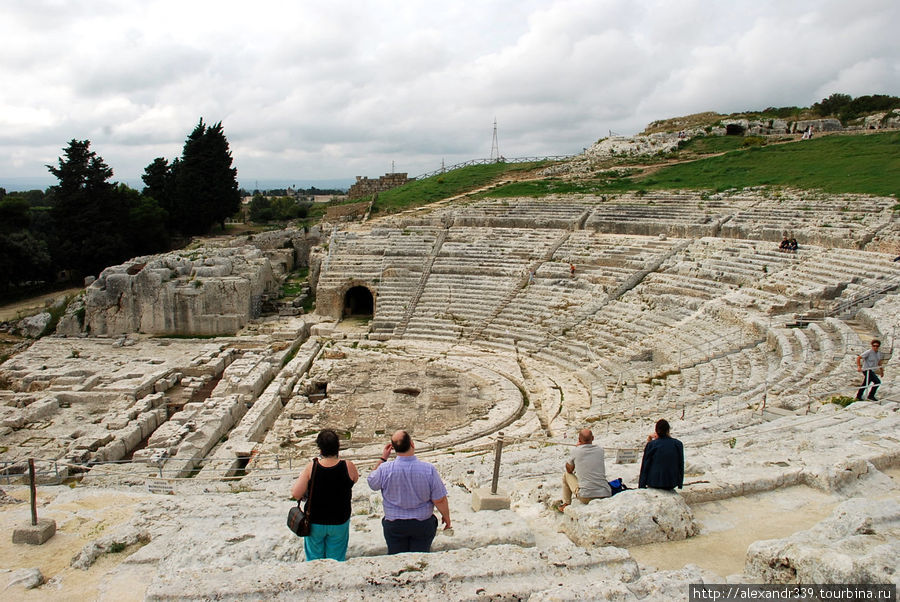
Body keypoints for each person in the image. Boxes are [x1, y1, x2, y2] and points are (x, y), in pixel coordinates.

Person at [367, 430, 451, 554]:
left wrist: (383, 458)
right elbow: (440, 499)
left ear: (393, 449)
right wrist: (447, 517)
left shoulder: (384, 469)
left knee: (396, 558)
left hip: (394, 525)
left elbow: (372, 482)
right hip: (423, 524)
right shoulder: (428, 470)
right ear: (412, 444)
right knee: (420, 556)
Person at [290, 429, 359, 561]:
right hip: (339, 521)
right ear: (338, 447)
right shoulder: (348, 466)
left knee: (314, 560)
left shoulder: (312, 467)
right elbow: (355, 479)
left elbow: (296, 493)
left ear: (320, 449)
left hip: (315, 522)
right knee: (337, 558)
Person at [560, 428, 611, 510]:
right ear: (593, 438)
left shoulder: (576, 451)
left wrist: (578, 448)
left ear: (579, 439)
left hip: (586, 496)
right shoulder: (600, 450)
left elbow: (569, 470)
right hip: (605, 493)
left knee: (566, 475)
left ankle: (566, 503)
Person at [638, 419, 684, 490]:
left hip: (654, 482)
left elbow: (645, 466)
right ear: (668, 430)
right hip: (671, 482)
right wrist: (680, 484)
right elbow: (681, 464)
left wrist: (641, 485)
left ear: (656, 431)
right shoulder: (678, 444)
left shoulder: (651, 445)